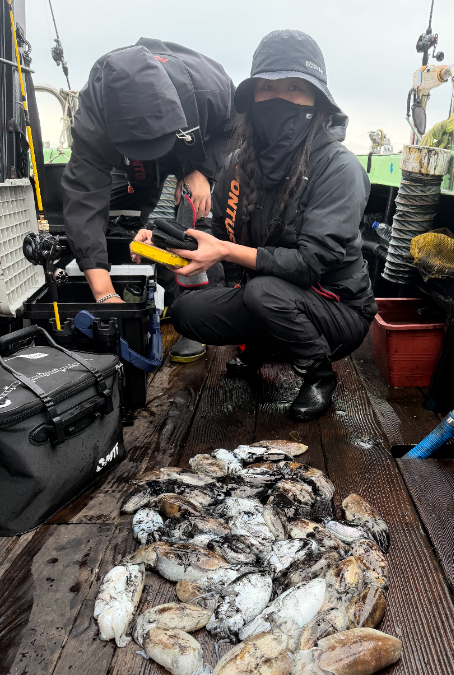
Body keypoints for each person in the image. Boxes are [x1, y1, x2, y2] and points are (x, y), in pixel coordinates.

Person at [133, 29, 376, 419]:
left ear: (317, 99)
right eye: (267, 87)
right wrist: (165, 240)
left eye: (295, 87)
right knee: (188, 312)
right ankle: (259, 347)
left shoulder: (339, 167)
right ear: (252, 98)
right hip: (265, 295)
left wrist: (228, 252)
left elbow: (310, 264)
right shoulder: (237, 164)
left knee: (264, 292)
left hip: (337, 309)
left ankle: (318, 373)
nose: (280, 98)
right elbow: (217, 233)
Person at [62, 38, 234, 362]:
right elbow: (84, 197)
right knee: (136, 223)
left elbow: (236, 127)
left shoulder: (212, 89)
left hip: (192, 151)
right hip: (133, 168)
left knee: (194, 221)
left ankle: (198, 317)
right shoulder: (93, 119)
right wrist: (104, 293)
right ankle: (165, 295)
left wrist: (204, 171)